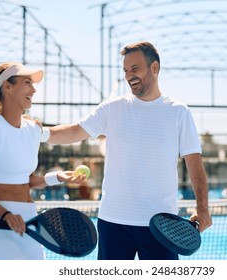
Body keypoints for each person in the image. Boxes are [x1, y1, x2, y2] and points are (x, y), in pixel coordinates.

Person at [41, 41, 212, 260]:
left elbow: (194, 163)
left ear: (155, 68)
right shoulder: (112, 108)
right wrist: (40, 133)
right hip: (114, 223)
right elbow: (75, 131)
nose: (129, 75)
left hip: (162, 226)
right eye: (125, 70)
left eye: (135, 68)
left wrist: (203, 207)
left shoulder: (179, 112)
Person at [0, 62, 86, 260]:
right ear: (8, 86)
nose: (34, 89)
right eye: (27, 82)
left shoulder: (32, 130)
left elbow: (26, 180)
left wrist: (58, 177)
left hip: (31, 220)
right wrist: (5, 215)